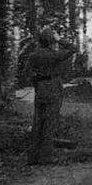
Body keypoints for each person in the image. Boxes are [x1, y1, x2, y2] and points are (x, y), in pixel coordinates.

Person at [27, 27, 77, 165]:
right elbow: (74, 48)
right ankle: (45, 157)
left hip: (40, 89)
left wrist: (37, 83)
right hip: (53, 88)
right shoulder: (54, 55)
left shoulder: (33, 55)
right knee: (50, 124)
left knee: (37, 123)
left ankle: (33, 156)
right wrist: (60, 39)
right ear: (51, 41)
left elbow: (27, 74)